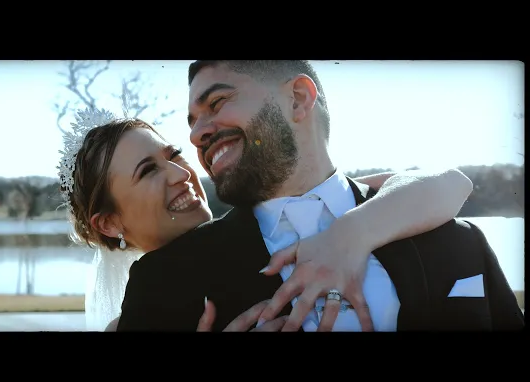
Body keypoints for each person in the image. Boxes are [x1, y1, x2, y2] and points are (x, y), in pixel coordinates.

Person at [112, 60, 523, 331]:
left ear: (297, 99)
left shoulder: (458, 239)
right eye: (193, 121)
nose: (196, 134)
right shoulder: (164, 280)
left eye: (217, 103)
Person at [60, 105, 477, 332]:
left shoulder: (283, 214)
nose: (180, 174)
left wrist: (350, 232)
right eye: (148, 171)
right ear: (108, 223)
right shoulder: (135, 318)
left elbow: (446, 184)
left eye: (174, 156)